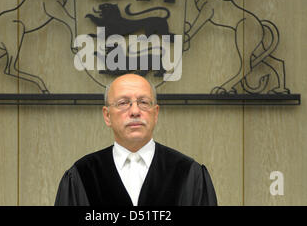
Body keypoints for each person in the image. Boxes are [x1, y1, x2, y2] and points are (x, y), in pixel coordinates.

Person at [55, 74, 217, 206]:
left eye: (143, 102)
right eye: (123, 103)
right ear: (107, 115)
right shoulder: (82, 175)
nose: (134, 111)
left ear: (156, 113)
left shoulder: (188, 173)